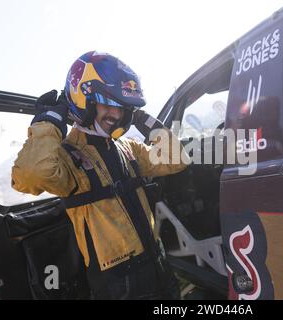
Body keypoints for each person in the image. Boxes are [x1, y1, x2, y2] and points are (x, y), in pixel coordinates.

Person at [11, 51, 189, 299]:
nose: (116, 115)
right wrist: (48, 122)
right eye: (109, 103)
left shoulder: (128, 148)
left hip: (157, 260)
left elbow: (177, 160)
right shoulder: (67, 155)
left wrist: (141, 118)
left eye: (123, 107)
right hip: (119, 283)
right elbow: (30, 175)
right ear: (84, 101)